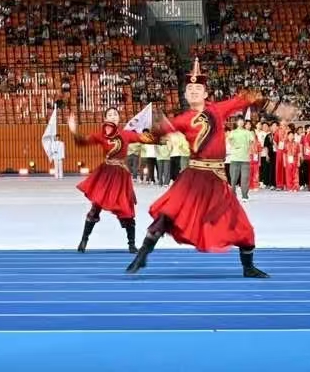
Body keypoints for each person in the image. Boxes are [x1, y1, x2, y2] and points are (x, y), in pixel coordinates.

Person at [126, 59, 294, 277]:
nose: (194, 91)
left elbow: (246, 98)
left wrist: (276, 108)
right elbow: (156, 134)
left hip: (216, 179)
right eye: (190, 89)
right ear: (185, 95)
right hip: (193, 177)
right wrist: (132, 137)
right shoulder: (182, 119)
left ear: (206, 93)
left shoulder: (217, 110)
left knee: (241, 224)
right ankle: (142, 255)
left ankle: (248, 267)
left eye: (198, 88)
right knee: (168, 214)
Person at [68, 108, 156, 253]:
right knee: (96, 207)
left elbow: (145, 139)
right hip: (106, 174)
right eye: (110, 114)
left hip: (121, 176)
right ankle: (84, 240)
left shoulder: (126, 134)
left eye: (115, 114)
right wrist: (73, 131)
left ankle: (131, 244)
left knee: (126, 208)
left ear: (119, 118)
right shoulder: (100, 135)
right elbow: (82, 141)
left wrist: (159, 133)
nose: (113, 116)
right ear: (105, 119)